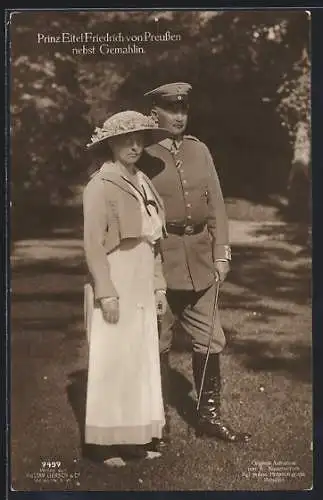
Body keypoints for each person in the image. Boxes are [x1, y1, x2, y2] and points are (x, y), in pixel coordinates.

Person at [138, 82, 251, 444]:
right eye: (172, 109)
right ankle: (158, 424)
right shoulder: (143, 154)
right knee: (158, 343)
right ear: (154, 112)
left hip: (201, 261)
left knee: (210, 339)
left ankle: (209, 416)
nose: (180, 116)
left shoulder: (198, 150)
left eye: (183, 109)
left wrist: (222, 253)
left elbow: (216, 204)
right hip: (161, 262)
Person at [83, 110, 171, 464]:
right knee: (113, 358)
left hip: (142, 275)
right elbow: (92, 244)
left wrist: (159, 287)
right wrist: (106, 292)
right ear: (111, 144)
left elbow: (155, 243)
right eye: (126, 140)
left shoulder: (144, 181)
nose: (134, 146)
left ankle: (134, 436)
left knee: (138, 358)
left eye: (139, 140)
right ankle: (104, 444)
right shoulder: (100, 185)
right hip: (117, 274)